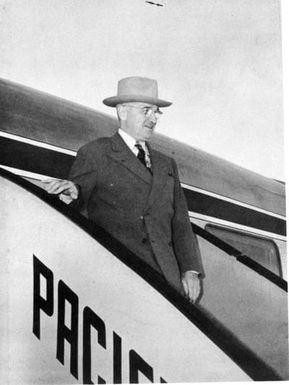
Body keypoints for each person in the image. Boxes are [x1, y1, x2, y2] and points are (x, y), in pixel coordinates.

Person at [45, 76, 203, 303]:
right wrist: (73, 192)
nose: (153, 118)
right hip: (121, 279)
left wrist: (190, 270)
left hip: (168, 283)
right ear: (122, 112)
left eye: (157, 112)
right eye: (146, 110)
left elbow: (180, 222)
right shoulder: (96, 152)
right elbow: (78, 202)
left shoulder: (167, 164)